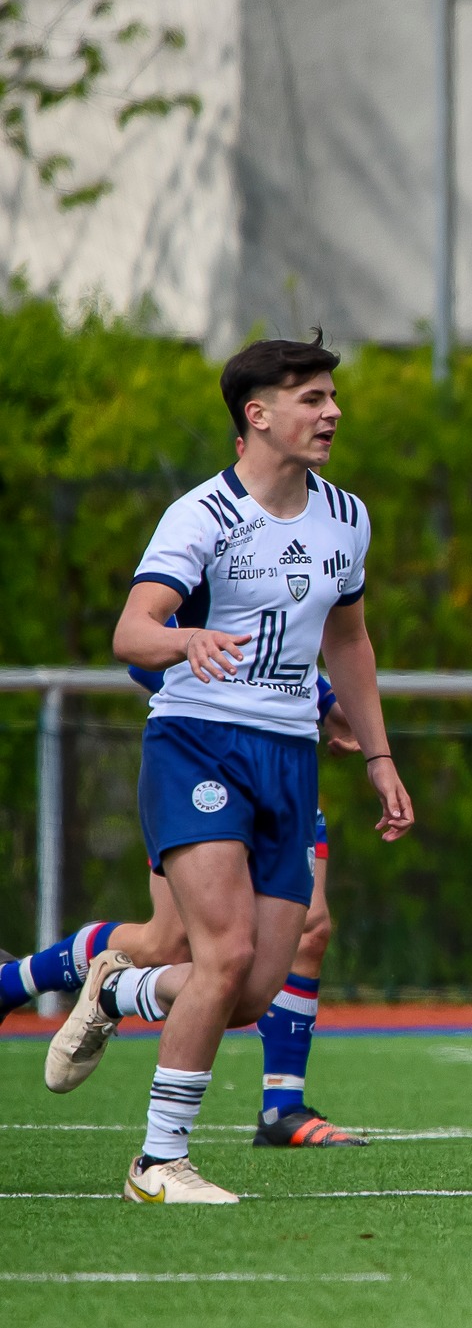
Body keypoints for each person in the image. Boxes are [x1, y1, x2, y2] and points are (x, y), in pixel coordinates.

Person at [43, 333, 414, 1204]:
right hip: (197, 744)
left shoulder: (347, 516)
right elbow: (132, 632)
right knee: (225, 951)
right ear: (258, 415)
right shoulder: (201, 515)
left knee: (247, 992)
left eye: (330, 397)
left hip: (288, 758)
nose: (330, 412)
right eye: (310, 398)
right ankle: (157, 1162)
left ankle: (121, 986)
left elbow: (350, 640)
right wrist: (186, 637)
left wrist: (380, 755)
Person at [0, 665, 368, 1147]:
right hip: (205, 765)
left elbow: (283, 643)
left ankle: (283, 1107)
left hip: (282, 763)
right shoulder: (198, 587)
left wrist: (330, 706)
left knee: (311, 928)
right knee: (168, 943)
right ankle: (20, 983)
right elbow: (143, 650)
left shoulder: (328, 585)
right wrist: (227, 708)